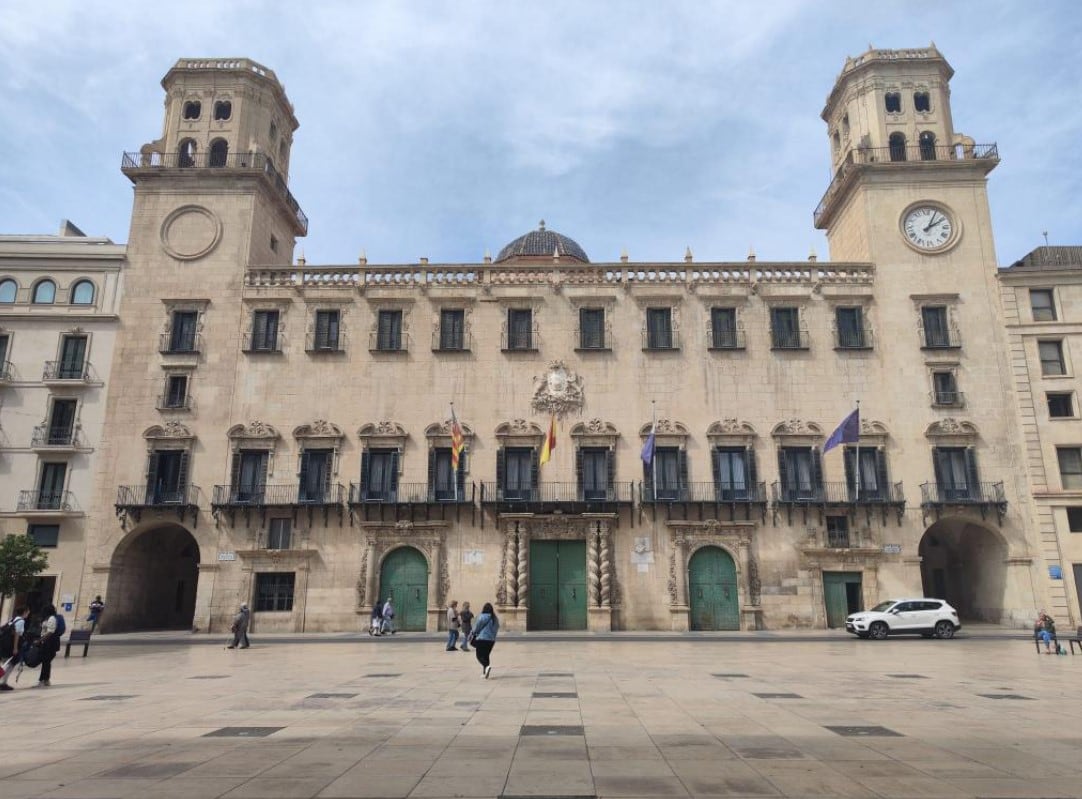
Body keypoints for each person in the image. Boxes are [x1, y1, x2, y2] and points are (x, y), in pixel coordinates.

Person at [0, 606, 30, 692]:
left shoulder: (13, 619)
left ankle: (3, 682)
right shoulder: (21, 621)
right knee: (11, 664)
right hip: (11, 646)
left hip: (6, 645)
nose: (28, 614)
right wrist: (15, 648)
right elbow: (17, 634)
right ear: (24, 612)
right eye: (28, 612)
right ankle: (3, 682)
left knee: (8, 663)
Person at [35, 604, 62, 688]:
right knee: (46, 661)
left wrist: (40, 640)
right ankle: (45, 680)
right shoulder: (47, 618)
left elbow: (50, 631)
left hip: (49, 643)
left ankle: (43, 680)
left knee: (46, 661)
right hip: (46, 642)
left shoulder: (52, 618)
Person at [471, 602, 499, 679]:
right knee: (486, 656)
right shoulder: (495, 618)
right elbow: (496, 628)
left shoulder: (482, 616)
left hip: (482, 638)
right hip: (491, 640)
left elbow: (477, 627)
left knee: (479, 655)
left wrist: (474, 632)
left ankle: (486, 667)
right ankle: (485, 673)